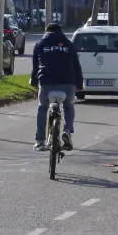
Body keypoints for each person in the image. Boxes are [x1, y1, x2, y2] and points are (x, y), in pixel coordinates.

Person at [31, 22, 82, 151]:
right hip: (68, 82)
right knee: (69, 107)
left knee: (42, 108)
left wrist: (34, 82)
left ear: (46, 31)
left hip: (46, 82)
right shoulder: (69, 45)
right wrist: (79, 84)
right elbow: (76, 66)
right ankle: (67, 131)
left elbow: (35, 67)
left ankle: (40, 141)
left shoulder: (40, 44)